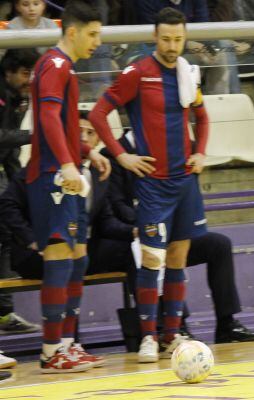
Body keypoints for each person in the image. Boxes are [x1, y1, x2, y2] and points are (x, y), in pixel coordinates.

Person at [89, 7, 209, 364]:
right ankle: (147, 338)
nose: (173, 46)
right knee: (152, 259)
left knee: (178, 257)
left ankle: (171, 335)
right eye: (166, 39)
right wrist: (120, 156)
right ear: (154, 38)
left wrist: (200, 152)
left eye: (178, 39)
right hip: (153, 186)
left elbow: (202, 118)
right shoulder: (137, 73)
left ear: (184, 38)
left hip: (185, 182)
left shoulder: (189, 73)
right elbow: (97, 114)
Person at [103, 130, 254, 343]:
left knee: (219, 245)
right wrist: (152, 220)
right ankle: (176, 326)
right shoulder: (114, 153)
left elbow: (185, 191)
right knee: (149, 253)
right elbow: (117, 205)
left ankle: (227, 323)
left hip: (172, 228)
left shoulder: (177, 146)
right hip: (138, 233)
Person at [26, 0, 109, 373]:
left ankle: (68, 344)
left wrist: (88, 151)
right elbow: (46, 117)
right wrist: (66, 162)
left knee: (78, 259)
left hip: (65, 172)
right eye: (92, 34)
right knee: (59, 260)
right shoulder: (55, 65)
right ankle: (49, 351)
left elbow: (63, 122)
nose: (96, 42)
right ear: (72, 32)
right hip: (51, 178)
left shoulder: (65, 69)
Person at [0, 49, 40, 335]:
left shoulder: (21, 96)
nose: (31, 79)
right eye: (26, 73)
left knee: (6, 233)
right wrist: (34, 136)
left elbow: (9, 149)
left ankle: (4, 313)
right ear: (9, 72)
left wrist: (20, 186)